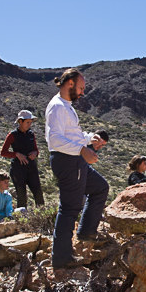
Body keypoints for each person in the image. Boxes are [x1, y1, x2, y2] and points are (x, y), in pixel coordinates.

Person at [45, 68, 109, 272]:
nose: (82, 92)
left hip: (74, 160)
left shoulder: (66, 106)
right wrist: (82, 150)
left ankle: (86, 233)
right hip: (69, 161)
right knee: (69, 208)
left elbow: (71, 134)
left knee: (100, 187)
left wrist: (90, 138)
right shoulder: (57, 107)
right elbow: (55, 139)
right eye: (81, 88)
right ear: (70, 83)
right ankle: (61, 258)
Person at [0, 110, 45, 209]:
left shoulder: (31, 134)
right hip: (18, 169)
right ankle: (22, 220)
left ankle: (43, 218)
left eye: (31, 122)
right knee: (21, 196)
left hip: (31, 168)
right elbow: (3, 152)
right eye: (27, 122)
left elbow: (36, 150)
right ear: (20, 121)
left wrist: (35, 153)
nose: (30, 124)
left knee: (38, 193)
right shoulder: (12, 135)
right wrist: (16, 154)